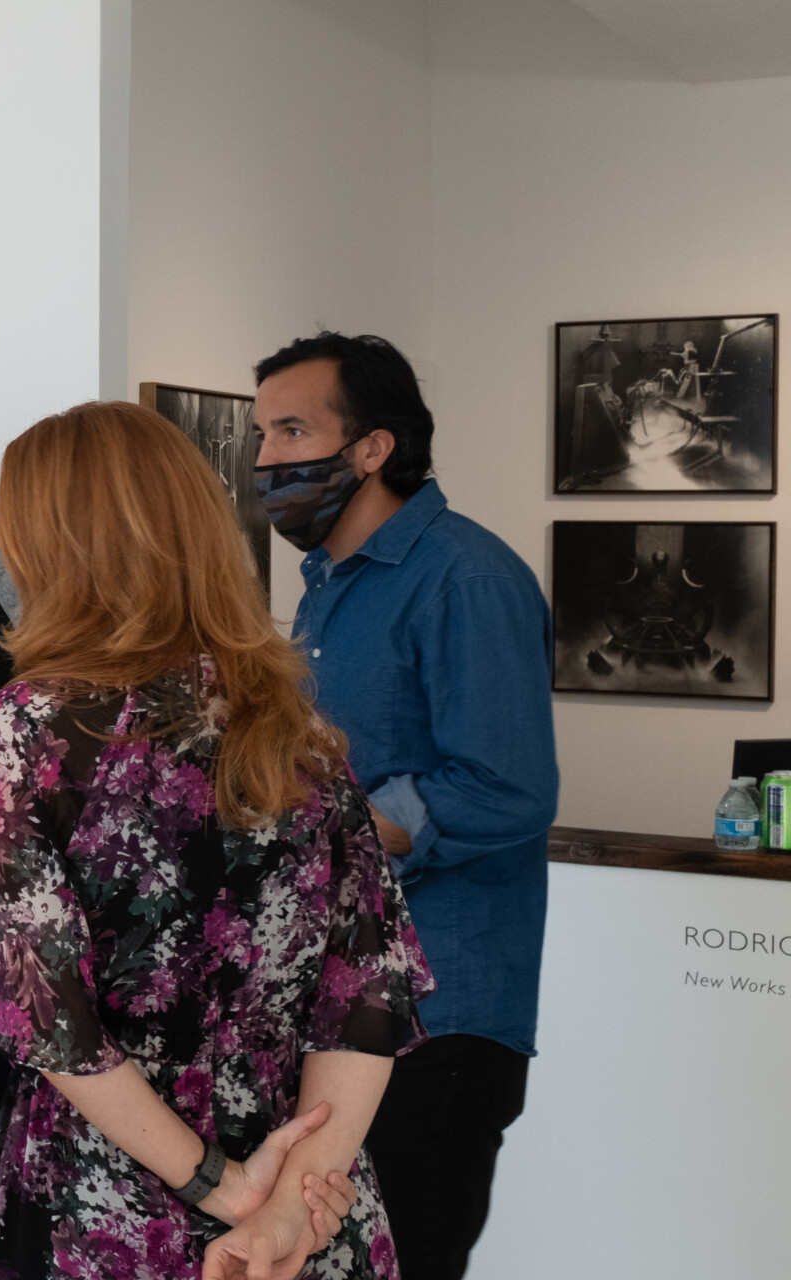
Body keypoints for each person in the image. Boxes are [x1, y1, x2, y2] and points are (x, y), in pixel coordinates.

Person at [0, 400, 433, 1280]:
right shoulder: (291, 725)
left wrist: (228, 1192)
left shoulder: (24, 732)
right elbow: (367, 994)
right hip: (307, 1205)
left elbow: (47, 1019)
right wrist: (291, 1206)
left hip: (111, 1194)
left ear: (56, 545)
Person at [251, 332, 559, 1280]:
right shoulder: (325, 588)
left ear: (374, 447)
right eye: (261, 434)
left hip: (442, 1015)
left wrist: (337, 836)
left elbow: (504, 785)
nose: (267, 459)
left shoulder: (466, 575)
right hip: (344, 1008)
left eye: (293, 430)